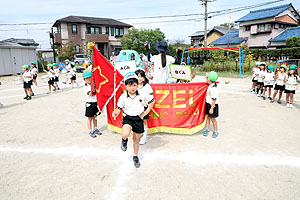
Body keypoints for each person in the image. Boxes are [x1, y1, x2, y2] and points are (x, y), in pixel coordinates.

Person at [112, 72, 155, 168]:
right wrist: (115, 113)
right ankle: (124, 140)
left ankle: (135, 156)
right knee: (125, 133)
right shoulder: (123, 97)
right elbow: (119, 108)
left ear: (137, 85)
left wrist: (146, 112)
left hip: (138, 119)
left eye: (134, 85)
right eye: (130, 85)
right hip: (128, 118)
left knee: (136, 139)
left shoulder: (142, 94)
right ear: (125, 85)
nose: (132, 88)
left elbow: (152, 101)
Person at [135, 68, 154, 145]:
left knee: (144, 121)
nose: (139, 78)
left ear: (143, 78)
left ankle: (144, 137)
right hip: (135, 107)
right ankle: (138, 135)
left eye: (141, 77)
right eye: (137, 77)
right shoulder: (133, 86)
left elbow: (151, 96)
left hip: (144, 107)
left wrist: (147, 101)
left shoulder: (147, 86)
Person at [82, 71, 102, 138]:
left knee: (95, 117)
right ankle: (90, 130)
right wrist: (93, 89)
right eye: (87, 78)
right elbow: (90, 94)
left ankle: (95, 128)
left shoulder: (95, 84)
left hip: (96, 103)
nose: (89, 79)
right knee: (90, 118)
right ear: (84, 79)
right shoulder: (86, 87)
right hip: (90, 104)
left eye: (90, 77)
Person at [203, 71, 219, 138]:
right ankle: (206, 129)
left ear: (209, 79)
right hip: (208, 104)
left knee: (213, 119)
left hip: (213, 105)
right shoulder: (209, 86)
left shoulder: (214, 89)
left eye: (207, 77)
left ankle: (215, 131)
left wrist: (212, 108)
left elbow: (214, 99)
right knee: (207, 117)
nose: (206, 78)